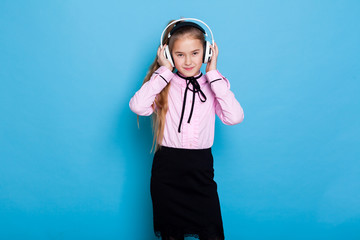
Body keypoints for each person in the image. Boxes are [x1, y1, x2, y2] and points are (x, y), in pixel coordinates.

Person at [129, 18, 244, 240]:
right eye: (180, 54)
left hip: (200, 169)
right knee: (172, 234)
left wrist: (213, 74)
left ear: (207, 53)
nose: (188, 61)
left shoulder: (214, 84)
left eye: (195, 53)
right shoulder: (164, 82)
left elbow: (235, 117)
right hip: (167, 170)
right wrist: (164, 72)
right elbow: (138, 106)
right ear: (169, 55)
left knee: (211, 231)